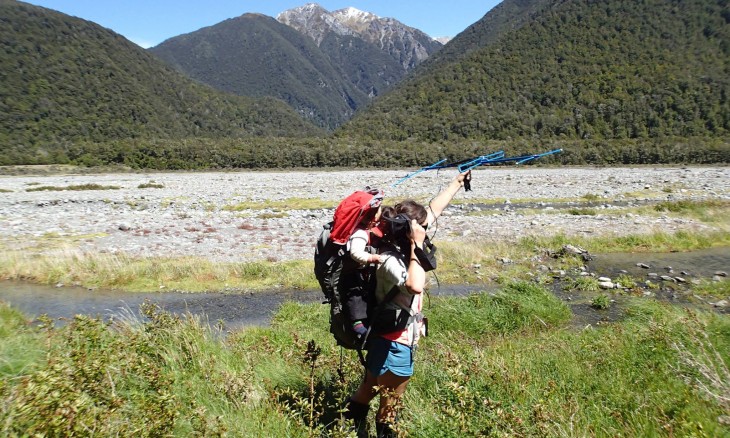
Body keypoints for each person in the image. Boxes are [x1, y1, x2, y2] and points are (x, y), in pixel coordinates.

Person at [343, 171, 470, 437]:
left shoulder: (397, 246)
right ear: (410, 231)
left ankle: (346, 428)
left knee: (367, 389)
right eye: (420, 227)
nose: (425, 229)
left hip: (382, 338)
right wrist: (417, 246)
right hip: (395, 343)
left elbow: (434, 210)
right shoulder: (391, 260)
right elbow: (414, 285)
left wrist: (457, 183)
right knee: (390, 408)